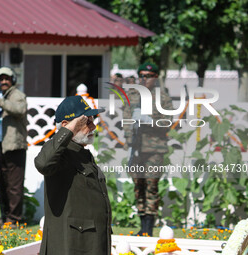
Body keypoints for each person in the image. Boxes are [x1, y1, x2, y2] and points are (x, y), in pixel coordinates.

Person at [34, 96, 112, 255]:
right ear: (65, 125)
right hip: (71, 246)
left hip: (89, 244)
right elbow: (42, 163)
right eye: (86, 122)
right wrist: (70, 128)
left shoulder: (82, 153)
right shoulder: (60, 154)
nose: (93, 127)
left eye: (92, 121)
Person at [123, 62, 173, 237]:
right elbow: (127, 120)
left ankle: (148, 230)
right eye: (142, 76)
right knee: (139, 186)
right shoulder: (132, 95)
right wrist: (130, 141)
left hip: (154, 149)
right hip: (136, 148)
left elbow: (168, 122)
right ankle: (142, 227)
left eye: (148, 76)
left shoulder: (163, 97)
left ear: (156, 77)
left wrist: (149, 120)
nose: (144, 79)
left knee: (151, 186)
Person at [0, 67, 28, 226]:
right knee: (3, 184)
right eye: (1, 79)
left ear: (12, 80)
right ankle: (6, 217)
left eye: (7, 78)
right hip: (0, 146)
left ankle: (14, 219)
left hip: (15, 146)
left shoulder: (17, 96)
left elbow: (19, 110)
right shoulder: (1, 96)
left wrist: (0, 101)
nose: (4, 82)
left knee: (14, 186)